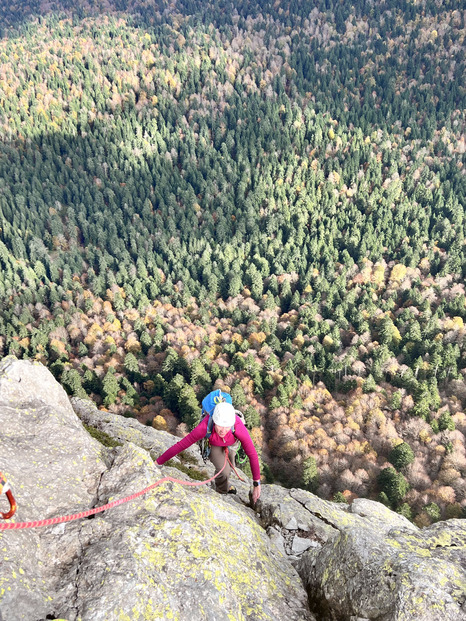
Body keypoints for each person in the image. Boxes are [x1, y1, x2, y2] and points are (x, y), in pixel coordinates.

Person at [156, 402, 261, 503]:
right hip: (215, 443)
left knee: (231, 466)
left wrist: (257, 483)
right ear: (214, 421)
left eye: (227, 426)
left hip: (232, 443)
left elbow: (252, 454)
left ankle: (226, 478)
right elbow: (181, 445)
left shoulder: (238, 428)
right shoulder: (205, 427)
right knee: (224, 471)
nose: (223, 430)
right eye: (220, 425)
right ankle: (222, 490)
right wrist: (158, 462)